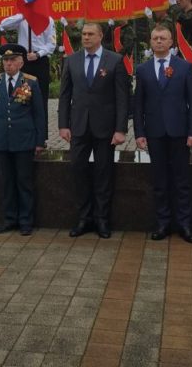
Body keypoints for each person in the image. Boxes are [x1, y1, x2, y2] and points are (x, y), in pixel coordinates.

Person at [58, 21, 129, 239]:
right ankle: (84, 218)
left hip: (105, 128)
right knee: (78, 171)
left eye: (90, 34)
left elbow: (122, 97)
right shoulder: (72, 60)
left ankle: (102, 219)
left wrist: (120, 129)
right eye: (83, 34)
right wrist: (63, 125)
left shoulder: (115, 60)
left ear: (100, 36)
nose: (86, 37)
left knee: (103, 173)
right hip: (78, 127)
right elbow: (65, 95)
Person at [132, 25, 192, 242]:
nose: (159, 41)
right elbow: (138, 105)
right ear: (151, 42)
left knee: (182, 181)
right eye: (155, 38)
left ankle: (185, 224)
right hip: (155, 132)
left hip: (180, 132)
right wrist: (139, 133)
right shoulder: (142, 69)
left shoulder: (185, 67)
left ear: (171, 42)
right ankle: (163, 223)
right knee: (160, 181)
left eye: (163, 38)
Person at [0, 43, 46, 236]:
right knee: (7, 182)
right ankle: (9, 219)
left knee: (24, 182)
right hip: (1, 139)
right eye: (5, 60)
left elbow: (39, 113)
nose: (8, 64)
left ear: (21, 62)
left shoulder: (30, 82)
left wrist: (40, 141)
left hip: (24, 140)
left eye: (12, 60)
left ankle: (26, 221)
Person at [0, 13, 55, 119]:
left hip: (40, 60)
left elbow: (51, 44)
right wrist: (23, 16)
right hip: (24, 61)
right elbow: (3, 25)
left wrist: (38, 54)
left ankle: (42, 128)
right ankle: (24, 125)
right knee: (23, 96)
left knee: (41, 97)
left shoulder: (47, 19)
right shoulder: (21, 18)